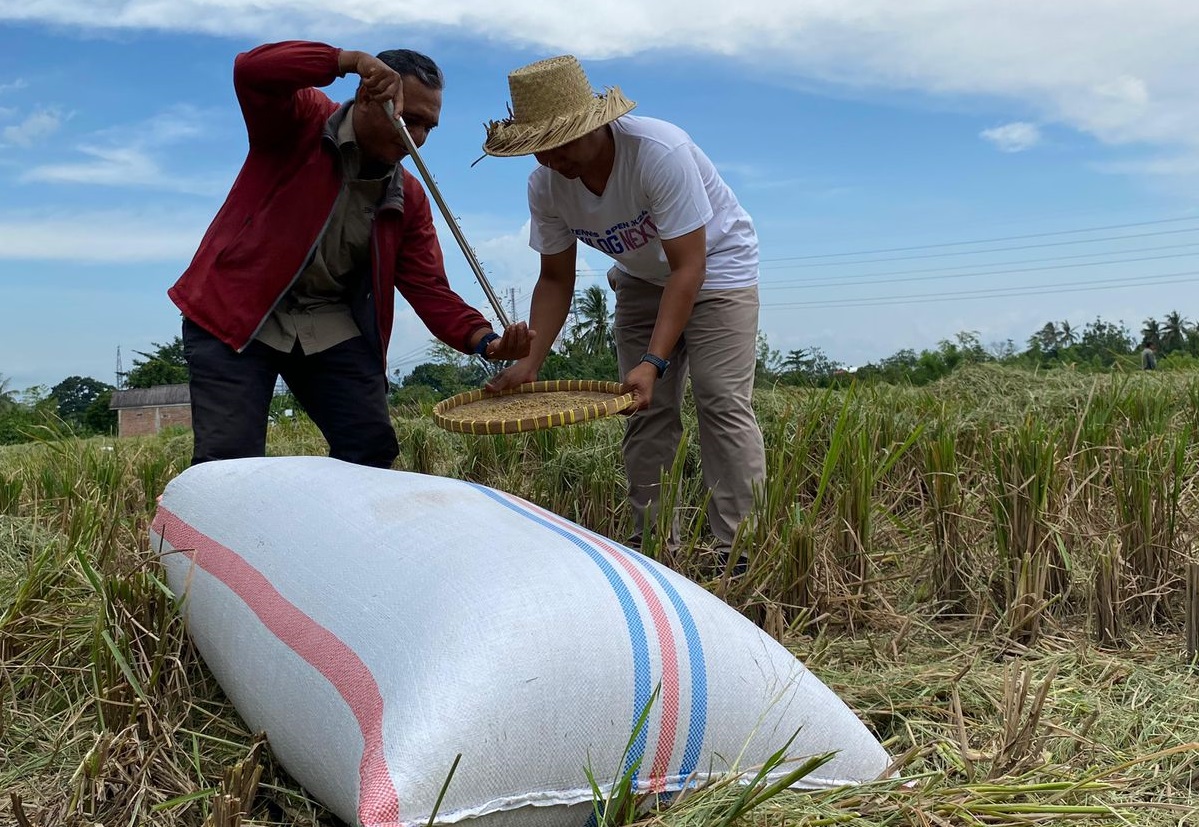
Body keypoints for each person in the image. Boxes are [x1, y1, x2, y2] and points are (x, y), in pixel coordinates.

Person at [169, 41, 531, 468]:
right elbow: (251, 70)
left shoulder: (408, 197)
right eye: (408, 119)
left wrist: (485, 340)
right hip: (237, 312)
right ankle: (202, 535)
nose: (416, 137)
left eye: (428, 127)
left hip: (326, 320)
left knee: (371, 448)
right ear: (366, 94)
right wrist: (348, 61)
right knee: (229, 463)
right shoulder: (300, 122)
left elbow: (429, 288)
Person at [481, 55, 766, 563]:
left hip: (716, 267)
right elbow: (555, 278)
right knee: (640, 407)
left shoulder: (658, 152)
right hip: (640, 277)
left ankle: (738, 549)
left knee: (719, 399)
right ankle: (655, 549)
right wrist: (530, 362)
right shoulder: (546, 185)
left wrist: (654, 361)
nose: (554, 160)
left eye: (564, 143)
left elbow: (688, 269)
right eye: (540, 150)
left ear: (598, 124)